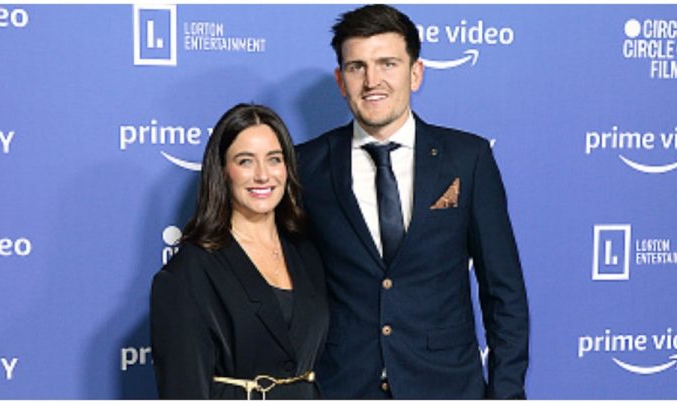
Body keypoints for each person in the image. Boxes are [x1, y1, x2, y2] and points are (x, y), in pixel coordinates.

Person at [296, 4, 529, 399]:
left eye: (387, 64)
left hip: (447, 387)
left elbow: (503, 291)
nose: (372, 81)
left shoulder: (467, 159)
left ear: (415, 73)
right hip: (343, 387)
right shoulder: (306, 165)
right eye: (357, 67)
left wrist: (506, 394)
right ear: (340, 80)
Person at [150, 103, 329, 399]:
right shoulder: (188, 273)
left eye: (274, 159)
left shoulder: (307, 251)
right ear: (222, 171)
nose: (263, 175)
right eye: (245, 161)